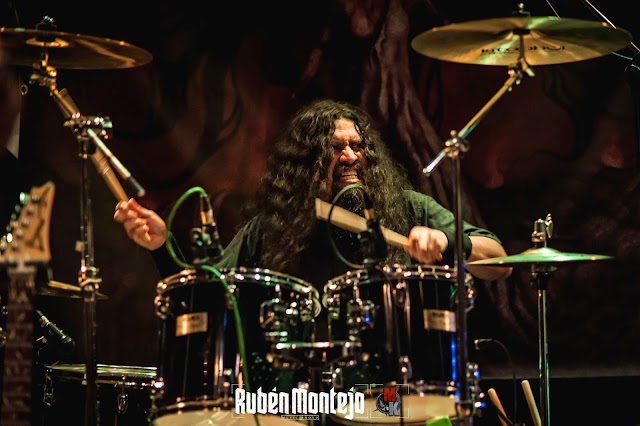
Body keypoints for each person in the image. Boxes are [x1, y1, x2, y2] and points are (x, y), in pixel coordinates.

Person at [114, 99, 511, 287]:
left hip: (391, 398)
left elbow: (500, 263)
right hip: (302, 402)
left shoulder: (410, 209)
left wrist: (449, 242)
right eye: (335, 149)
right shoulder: (270, 229)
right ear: (307, 164)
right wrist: (162, 245)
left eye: (358, 146)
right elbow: (212, 295)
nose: (350, 156)